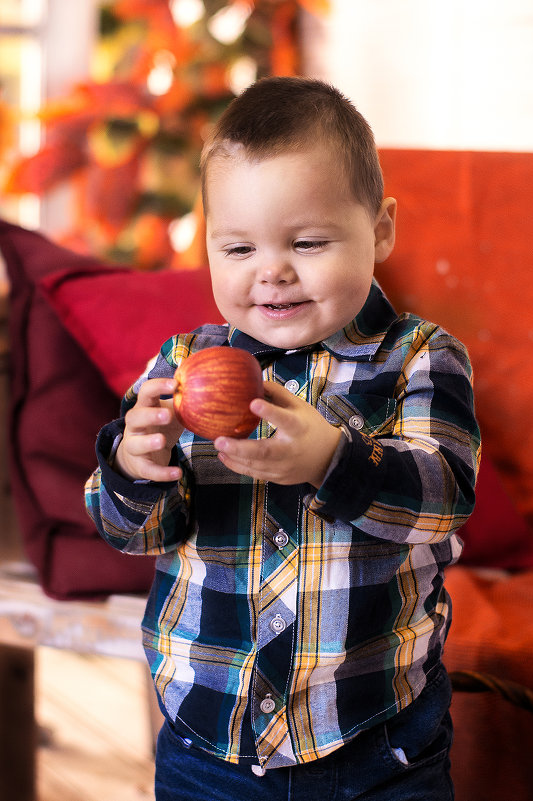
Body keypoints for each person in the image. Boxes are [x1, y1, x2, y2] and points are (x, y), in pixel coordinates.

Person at [85, 76, 480, 801]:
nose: (271, 270)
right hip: (209, 747)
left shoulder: (420, 358)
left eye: (306, 241)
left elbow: (444, 500)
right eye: (237, 248)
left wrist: (334, 460)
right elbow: (129, 531)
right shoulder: (181, 366)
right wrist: (134, 467)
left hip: (377, 746)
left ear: (381, 228)